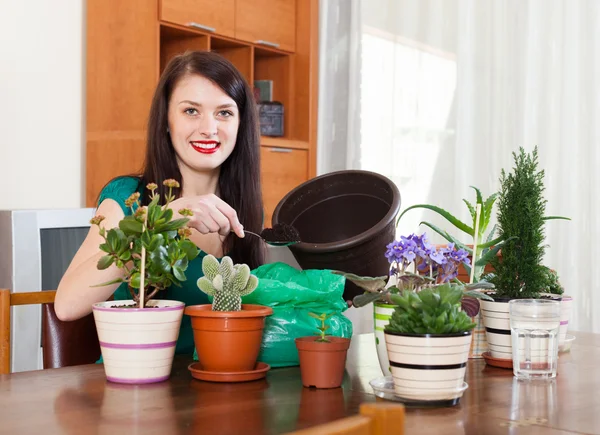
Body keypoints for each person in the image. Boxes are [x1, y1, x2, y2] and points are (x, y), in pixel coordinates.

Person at [55, 51, 265, 355]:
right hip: (138, 391)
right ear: (166, 120)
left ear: (240, 124)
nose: (209, 128)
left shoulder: (243, 207)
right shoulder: (130, 198)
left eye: (224, 112)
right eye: (191, 111)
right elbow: (66, 305)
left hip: (221, 391)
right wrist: (162, 221)